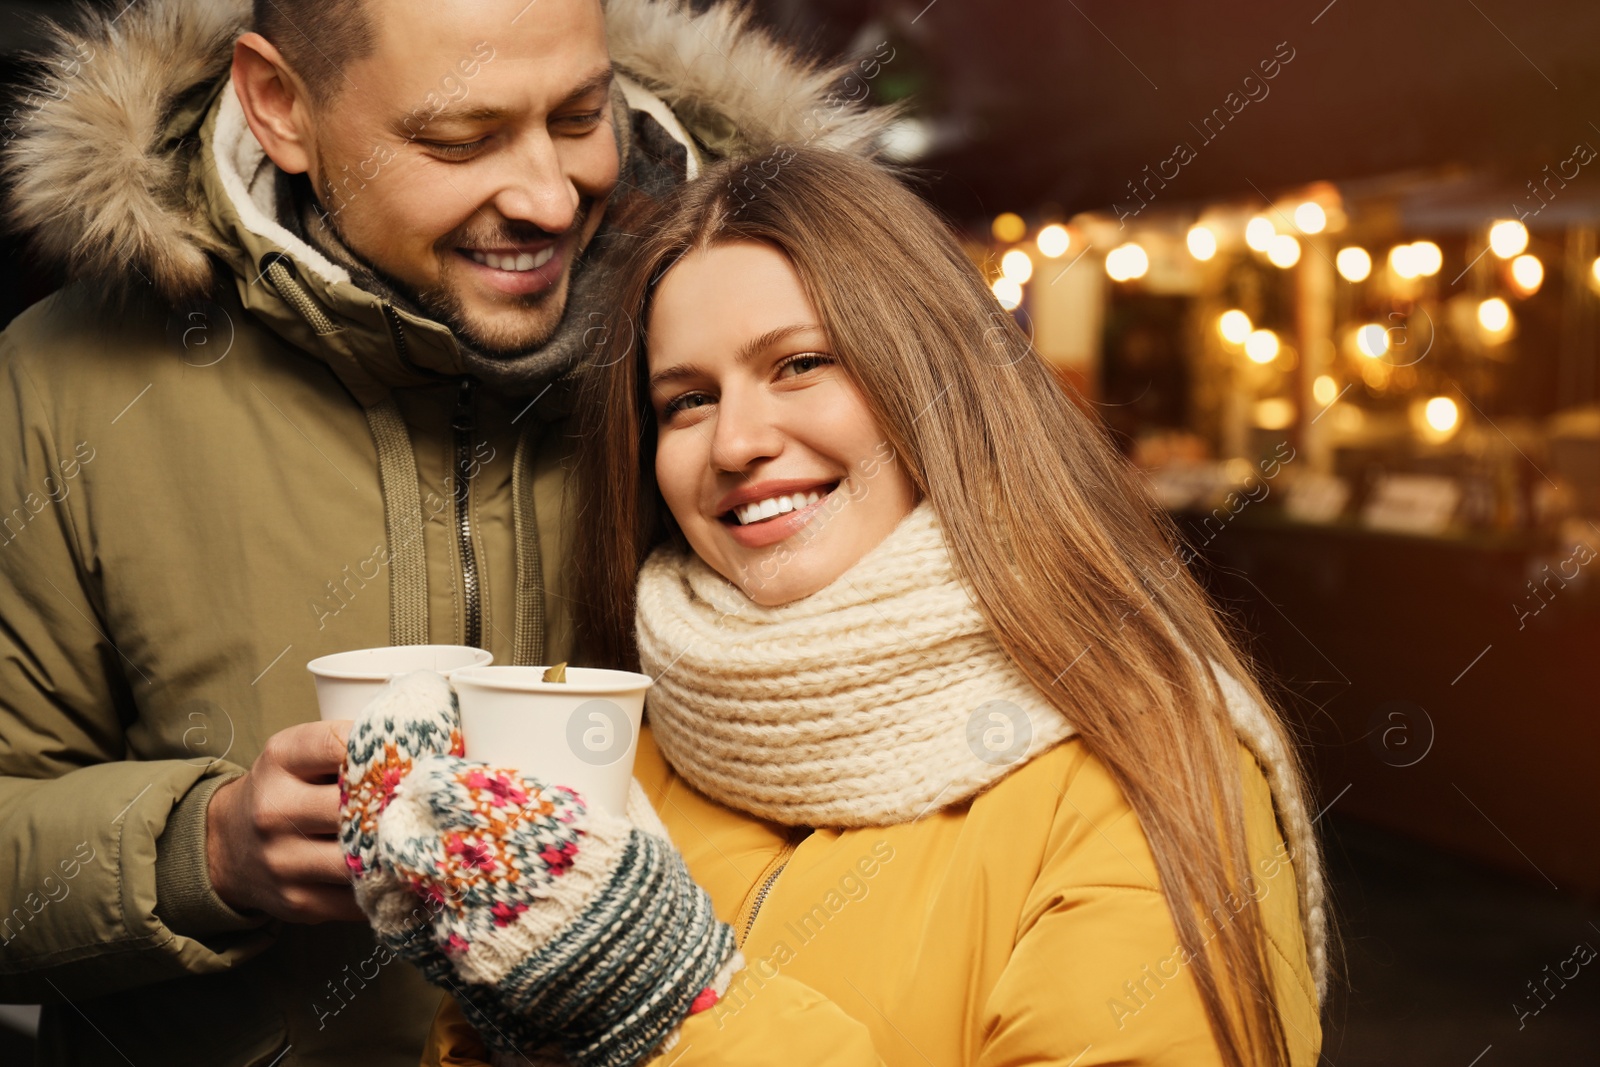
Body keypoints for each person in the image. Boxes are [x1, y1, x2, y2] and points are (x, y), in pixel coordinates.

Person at [0, 0, 888, 1061]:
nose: (550, 197)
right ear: (279, 104)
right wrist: (201, 853)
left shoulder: (733, 339)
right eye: (457, 140)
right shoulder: (63, 386)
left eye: (578, 113)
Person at [335, 149, 1328, 1066]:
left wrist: (678, 1008)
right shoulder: (624, 748)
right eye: (685, 399)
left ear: (934, 384)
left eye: (799, 363)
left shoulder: (1146, 759)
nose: (735, 442)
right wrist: (490, 988)